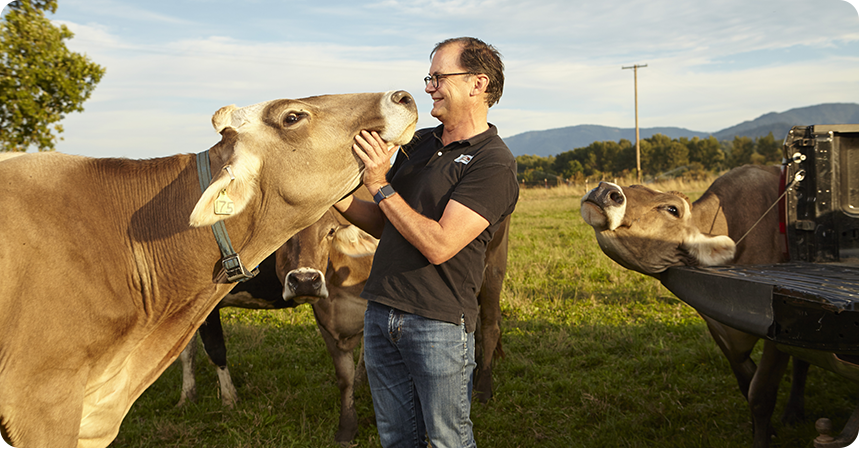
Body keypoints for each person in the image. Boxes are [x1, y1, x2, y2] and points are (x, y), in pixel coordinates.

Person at [334, 36, 519, 448]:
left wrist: (379, 184)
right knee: (397, 438)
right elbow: (388, 222)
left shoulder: (494, 163)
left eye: (438, 77)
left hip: (436, 323)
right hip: (381, 313)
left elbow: (439, 244)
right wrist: (333, 194)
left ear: (477, 84)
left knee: (446, 439)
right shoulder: (419, 144)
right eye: (429, 77)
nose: (429, 87)